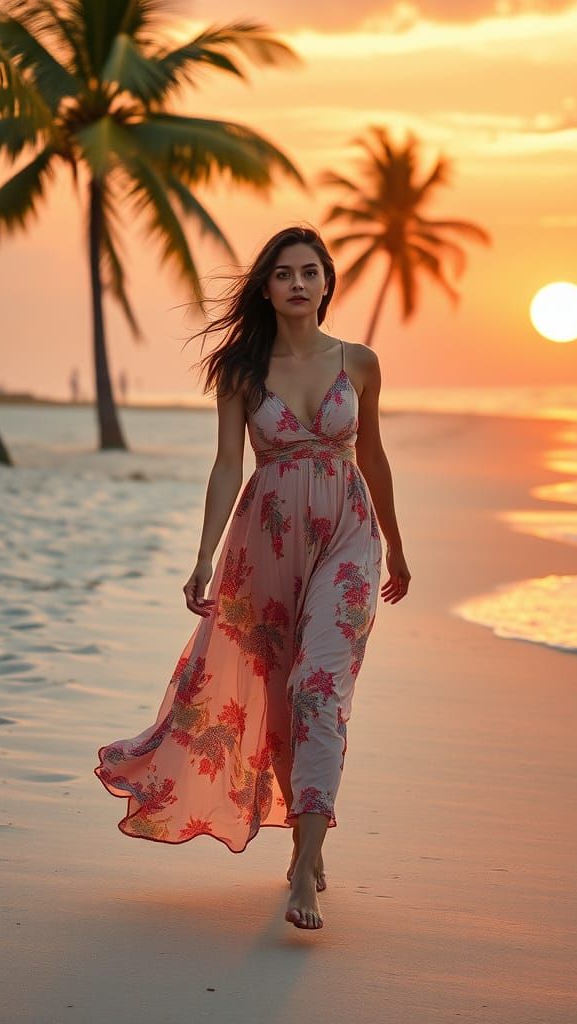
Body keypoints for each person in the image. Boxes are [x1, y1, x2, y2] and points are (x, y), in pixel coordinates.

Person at [94, 225, 410, 931]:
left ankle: (303, 865)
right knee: (276, 694)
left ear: (328, 283)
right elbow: (228, 467)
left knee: (316, 688)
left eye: (310, 272)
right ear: (266, 287)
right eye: (283, 273)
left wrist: (397, 546)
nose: (298, 283)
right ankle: (308, 835)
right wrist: (203, 554)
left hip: (347, 538)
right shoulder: (241, 370)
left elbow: (377, 460)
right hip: (263, 545)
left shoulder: (358, 363)